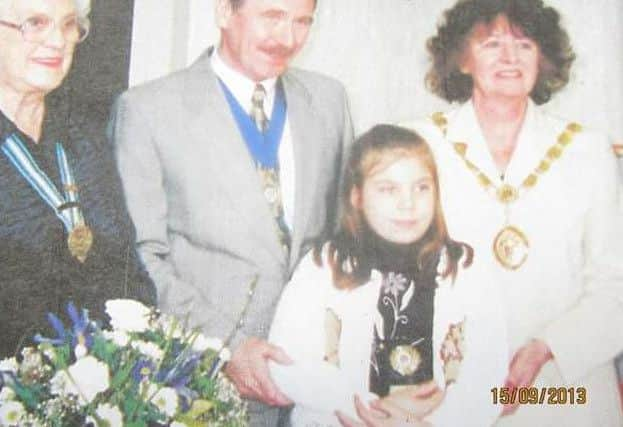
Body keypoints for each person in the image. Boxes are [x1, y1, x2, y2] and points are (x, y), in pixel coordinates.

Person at [109, 0, 352, 424]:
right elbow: (140, 259)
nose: (288, 38)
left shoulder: (330, 100)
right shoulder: (147, 109)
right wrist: (224, 346)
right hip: (203, 381)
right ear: (225, 12)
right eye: (272, 17)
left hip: (312, 380)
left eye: (302, 22)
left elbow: (346, 237)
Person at [399, 0, 623, 425]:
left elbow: (616, 286)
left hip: (564, 390)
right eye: (491, 44)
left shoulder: (588, 150)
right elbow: (397, 272)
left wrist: (546, 347)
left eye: (524, 44)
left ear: (544, 58)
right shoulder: (417, 144)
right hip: (453, 388)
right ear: (461, 59)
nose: (509, 57)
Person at [269, 125, 509, 426]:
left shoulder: (464, 268)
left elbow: (490, 375)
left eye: (421, 187)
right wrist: (370, 410)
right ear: (356, 196)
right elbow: (286, 361)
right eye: (388, 189)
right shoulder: (324, 265)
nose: (407, 203)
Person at [0, 0, 155, 358]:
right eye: (36, 23)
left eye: (69, 25)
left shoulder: (84, 140)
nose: (57, 41)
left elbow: (128, 272)